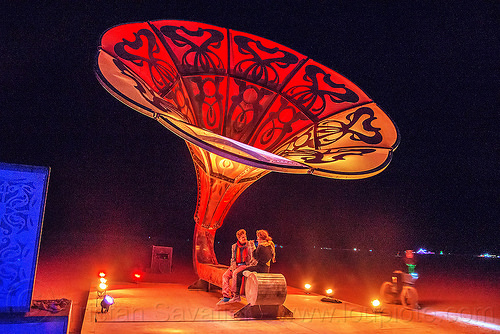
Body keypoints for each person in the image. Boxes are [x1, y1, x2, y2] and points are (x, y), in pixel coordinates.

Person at [229, 229, 276, 303]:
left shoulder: (261, 246)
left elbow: (255, 257)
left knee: (239, 274)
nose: (257, 239)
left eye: (258, 237)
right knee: (247, 271)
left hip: (260, 268)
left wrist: (252, 246)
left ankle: (237, 296)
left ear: (260, 238)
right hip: (266, 269)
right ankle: (246, 294)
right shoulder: (270, 245)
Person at [216, 229, 256, 305]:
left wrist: (250, 266)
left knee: (235, 274)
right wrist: (233, 267)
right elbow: (233, 259)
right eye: (242, 237)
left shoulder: (250, 245)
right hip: (236, 265)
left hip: (245, 265)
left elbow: (253, 257)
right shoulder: (234, 246)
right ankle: (226, 296)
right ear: (239, 239)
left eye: (245, 236)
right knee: (225, 276)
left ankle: (235, 295)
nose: (244, 238)